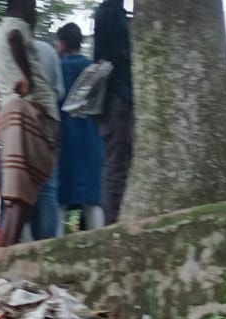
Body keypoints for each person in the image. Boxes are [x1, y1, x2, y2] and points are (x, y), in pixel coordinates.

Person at [0, 0, 57, 247]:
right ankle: (8, 251)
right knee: (26, 189)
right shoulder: (18, 26)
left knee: (17, 190)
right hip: (31, 109)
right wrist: (27, 79)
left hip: (8, 112)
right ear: (23, 6)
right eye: (32, 5)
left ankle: (5, 249)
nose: (34, 11)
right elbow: (15, 38)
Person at [55, 22, 104, 230]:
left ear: (63, 44)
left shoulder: (58, 68)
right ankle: (101, 242)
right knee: (93, 198)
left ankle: (55, 243)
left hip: (65, 139)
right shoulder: (93, 69)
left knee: (60, 199)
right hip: (92, 138)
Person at [92, 0, 133, 224]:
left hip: (116, 97)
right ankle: (113, 221)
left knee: (120, 160)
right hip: (117, 96)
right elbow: (117, 55)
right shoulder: (109, 14)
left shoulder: (112, 13)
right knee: (116, 162)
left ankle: (115, 217)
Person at [26, 25, 64, 240]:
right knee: (48, 184)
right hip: (47, 120)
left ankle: (20, 241)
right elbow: (60, 91)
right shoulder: (49, 51)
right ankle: (46, 241)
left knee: (19, 183)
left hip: (18, 121)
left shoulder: (6, 46)